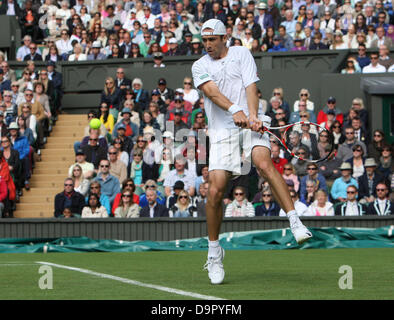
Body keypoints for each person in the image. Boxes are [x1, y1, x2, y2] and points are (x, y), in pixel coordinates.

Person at [191, 18, 312, 284]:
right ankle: (214, 253)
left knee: (263, 162)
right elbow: (211, 92)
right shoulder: (199, 65)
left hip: (251, 122)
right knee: (215, 189)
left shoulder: (242, 53)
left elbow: (250, 87)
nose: (208, 45)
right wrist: (237, 111)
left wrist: (253, 115)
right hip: (222, 131)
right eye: (205, 41)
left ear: (225, 37)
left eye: (213, 40)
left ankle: (294, 221)